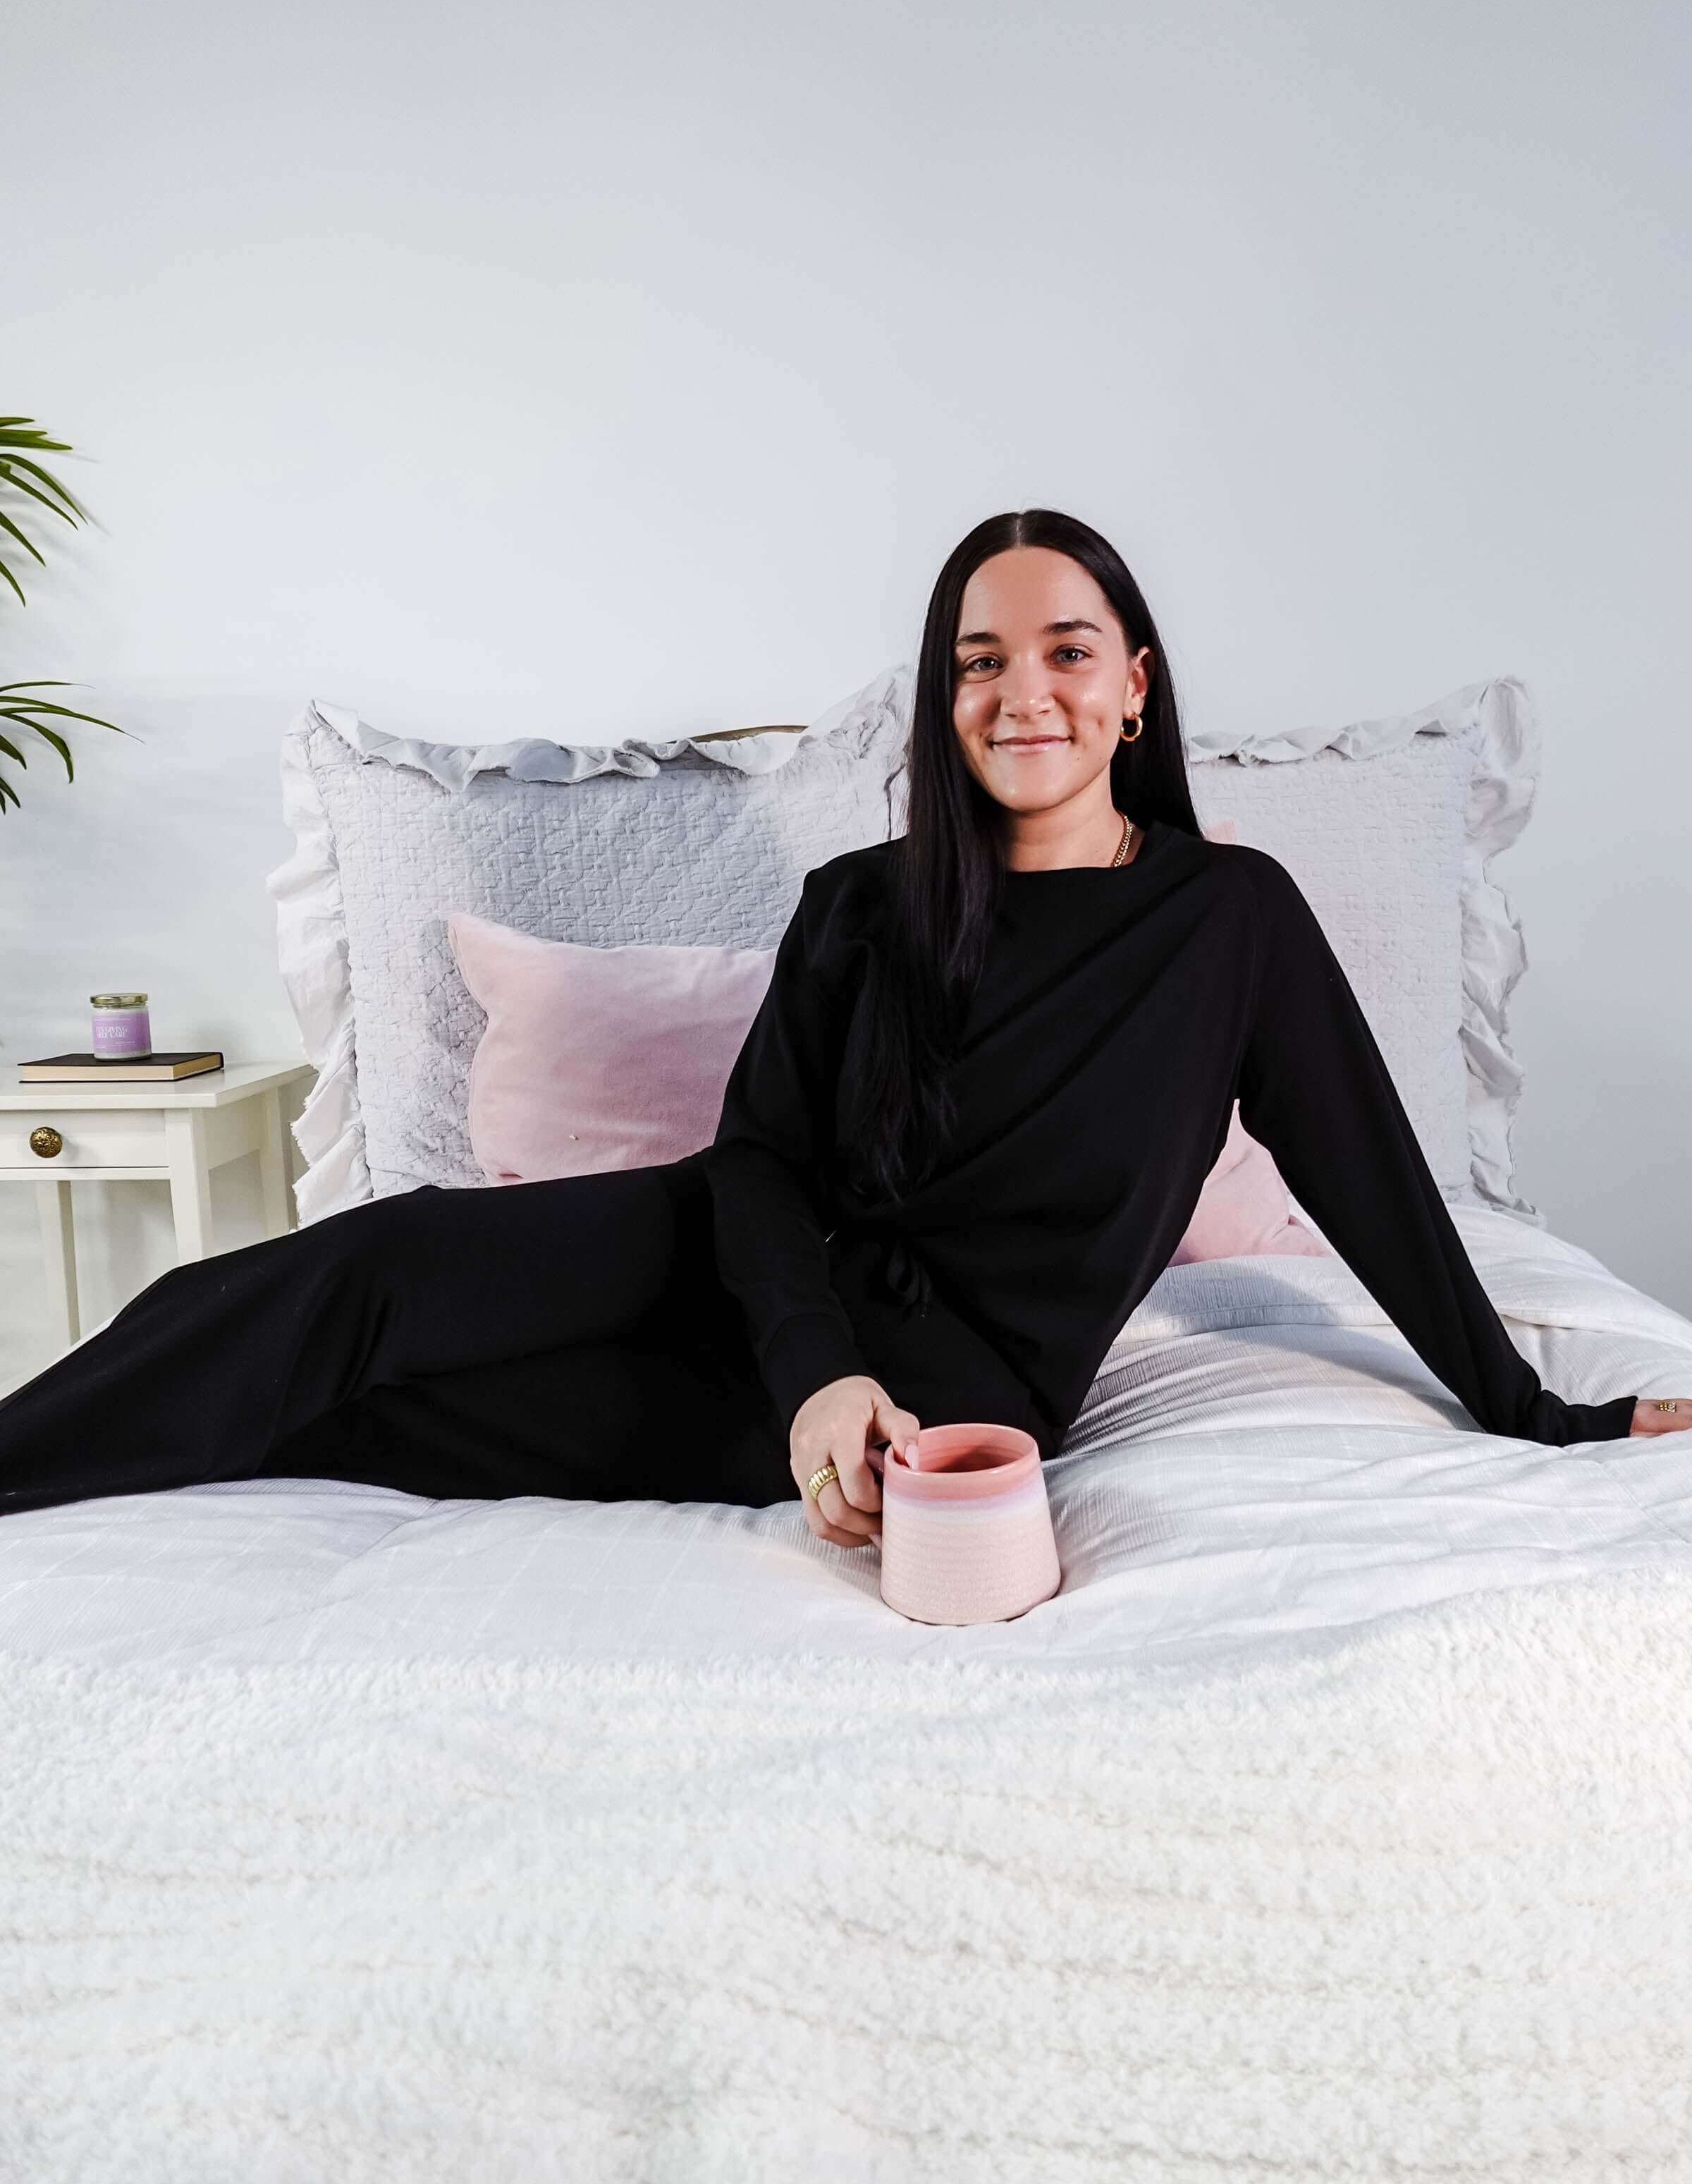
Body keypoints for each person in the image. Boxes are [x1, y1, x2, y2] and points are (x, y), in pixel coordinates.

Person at [3, 509, 1686, 1548]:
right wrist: (813, 1361)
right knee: (371, 1269)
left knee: (372, 1423)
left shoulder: (1226, 919)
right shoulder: (864, 901)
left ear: (1134, 686)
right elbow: (757, 1164)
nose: (1022, 692)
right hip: (756, 1265)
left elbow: (1376, 1177)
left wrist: (1541, 1412)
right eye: (978, 661)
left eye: (1065, 651)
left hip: (963, 1372)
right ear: (946, 699)